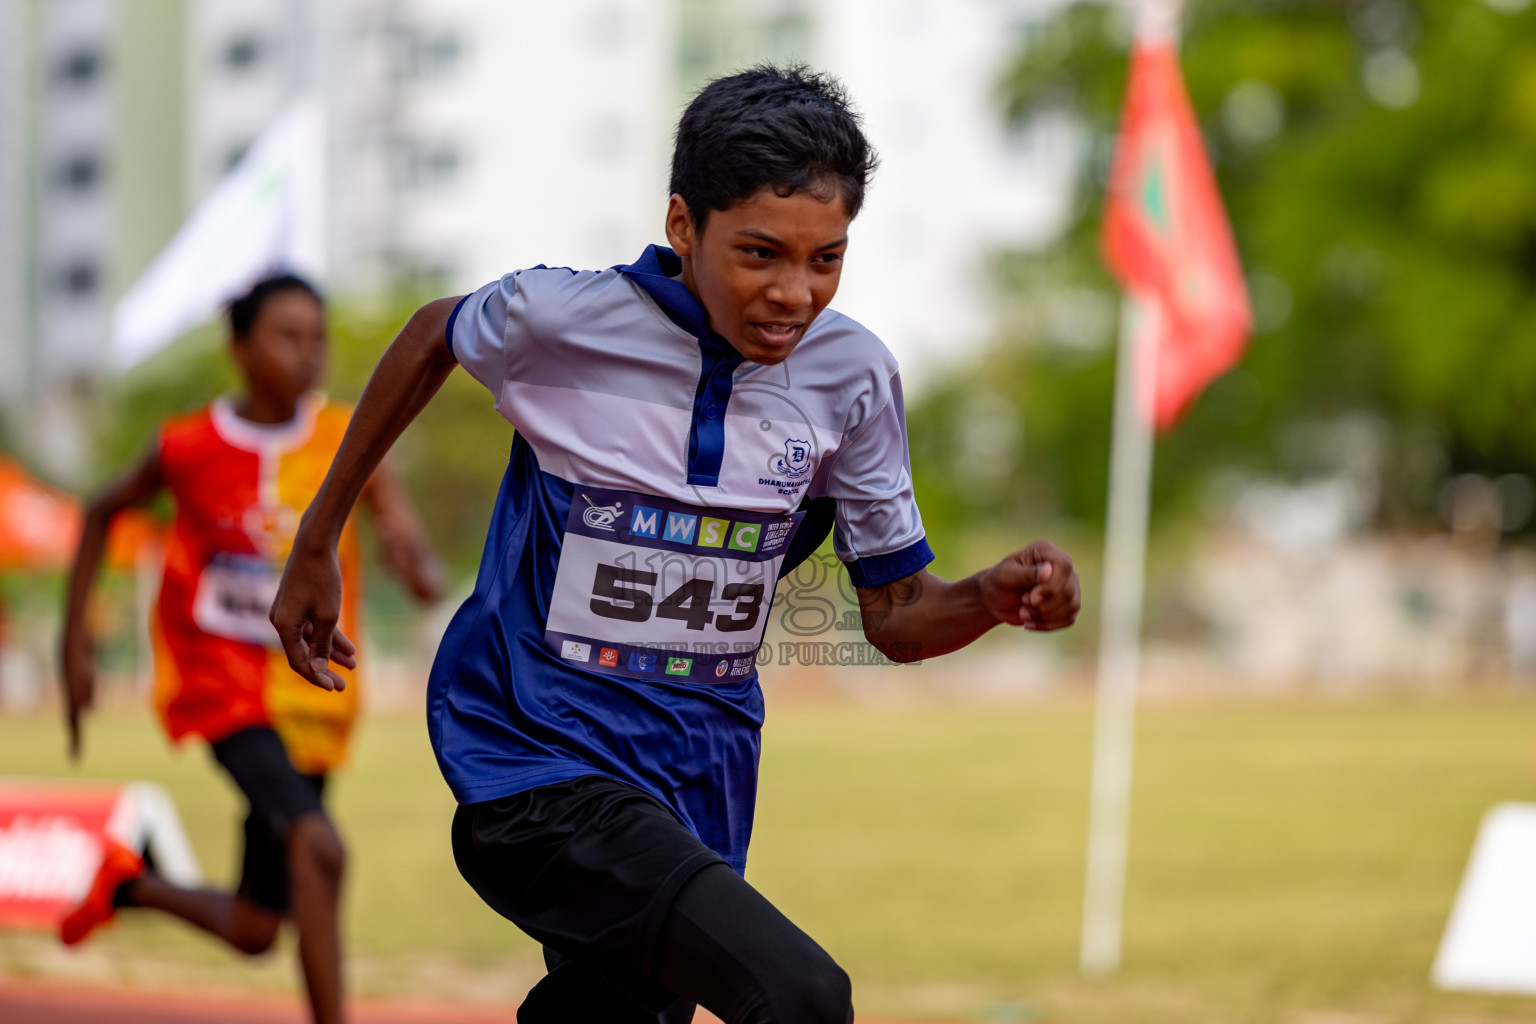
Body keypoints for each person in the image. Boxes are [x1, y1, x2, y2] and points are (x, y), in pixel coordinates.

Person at [272, 66, 1081, 1024]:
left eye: (827, 259)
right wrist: (318, 536)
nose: (793, 292)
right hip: (535, 764)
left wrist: (988, 596)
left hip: (698, 780)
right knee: (800, 998)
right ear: (683, 226)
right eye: (760, 253)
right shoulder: (561, 319)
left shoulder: (851, 380)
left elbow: (898, 620)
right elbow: (431, 334)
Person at [59, 274, 443, 1024]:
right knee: (322, 850)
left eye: (318, 337)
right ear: (238, 348)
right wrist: (74, 643)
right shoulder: (187, 446)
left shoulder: (347, 435)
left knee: (256, 928)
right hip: (223, 687)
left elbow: (422, 571)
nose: (309, 353)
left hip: (315, 696)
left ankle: (128, 887)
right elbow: (101, 510)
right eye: (287, 336)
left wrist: (413, 559)